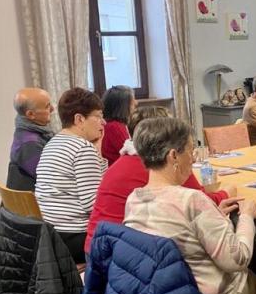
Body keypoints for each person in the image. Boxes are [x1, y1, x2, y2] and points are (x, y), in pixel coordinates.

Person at [124, 118, 256, 294]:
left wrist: (215, 214)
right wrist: (247, 216)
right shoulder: (191, 200)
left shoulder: (134, 199)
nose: (193, 158)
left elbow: (181, 233)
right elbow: (237, 259)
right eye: (191, 151)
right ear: (173, 155)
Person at [84, 107, 237, 254]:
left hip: (98, 248)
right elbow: (203, 201)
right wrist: (226, 193)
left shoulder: (125, 159)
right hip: (120, 256)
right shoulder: (163, 163)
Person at [35, 87, 108, 263]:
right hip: (75, 238)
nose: (103, 122)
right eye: (98, 116)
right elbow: (95, 204)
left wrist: (98, 153)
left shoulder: (53, 142)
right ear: (79, 119)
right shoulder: (82, 149)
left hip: (50, 236)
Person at [7, 87, 54, 191]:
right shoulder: (29, 144)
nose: (52, 109)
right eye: (47, 106)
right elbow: (51, 180)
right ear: (31, 114)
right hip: (33, 204)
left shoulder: (32, 131)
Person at [101, 85, 137, 166]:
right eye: (132, 101)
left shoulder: (111, 124)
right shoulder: (115, 127)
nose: (136, 103)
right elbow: (131, 152)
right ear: (123, 106)